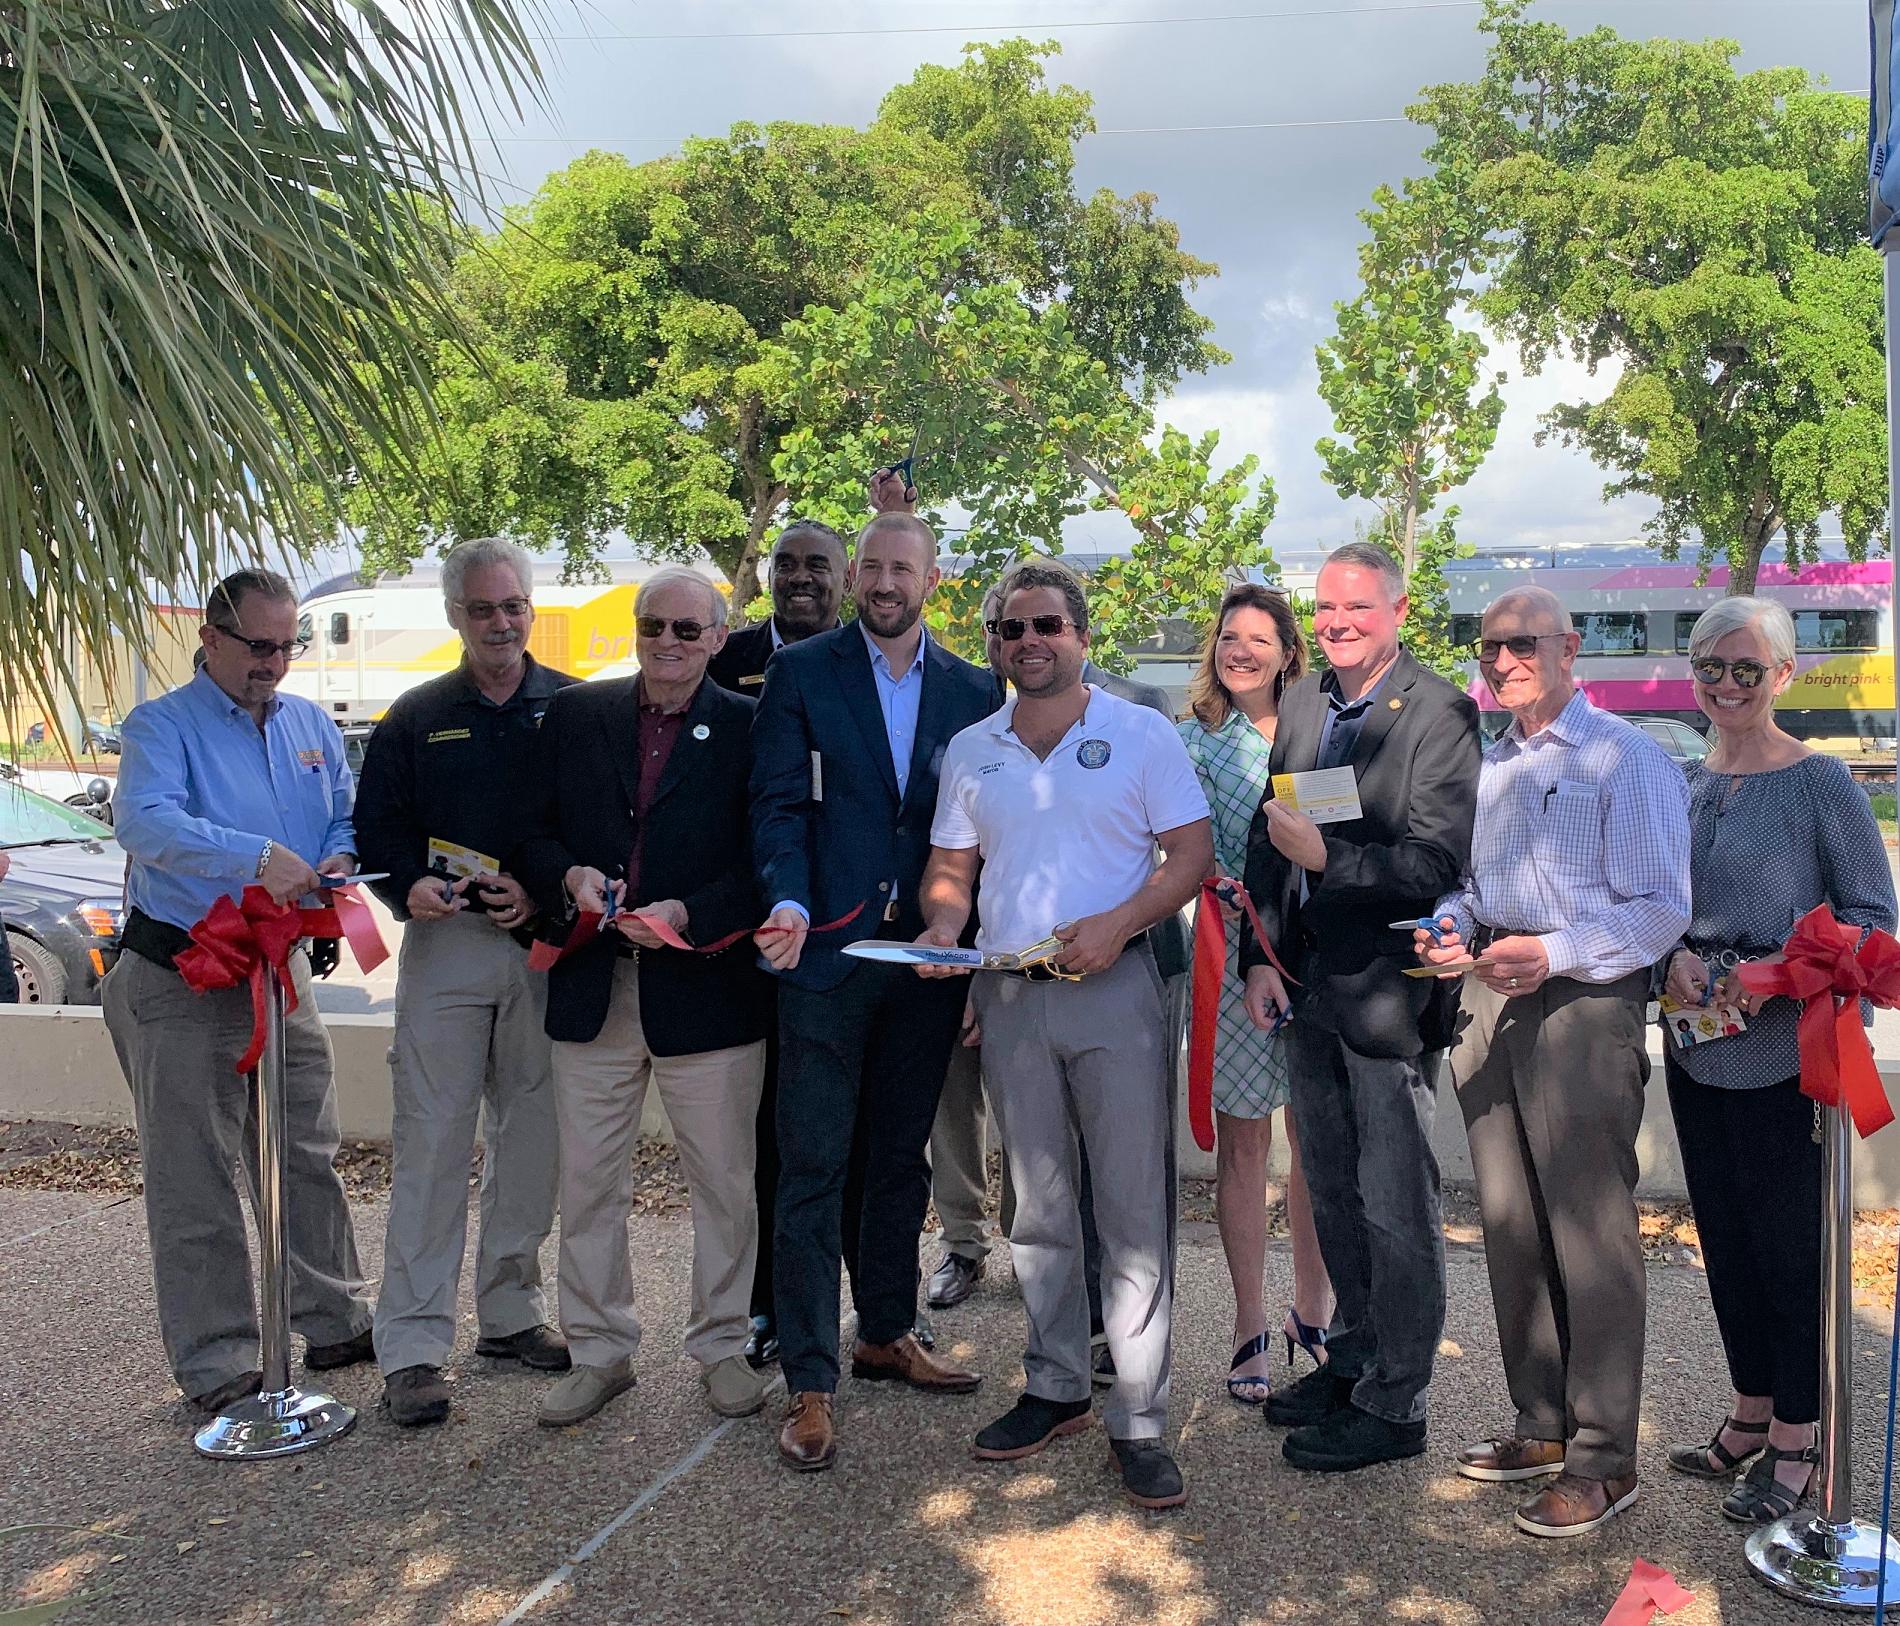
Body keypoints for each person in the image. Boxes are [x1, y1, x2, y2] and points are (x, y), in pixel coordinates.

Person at [917, 563, 1213, 1508]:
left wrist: (1120, 924)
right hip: (1011, 995)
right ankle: (1055, 1385)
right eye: (1011, 629)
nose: (1029, 642)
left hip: (1115, 989)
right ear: (995, 643)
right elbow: (952, 869)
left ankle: (1140, 1415)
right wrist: (942, 928)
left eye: (1047, 625)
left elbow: (1192, 855)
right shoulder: (973, 748)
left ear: (1082, 635)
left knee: (1130, 1210)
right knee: (1039, 1211)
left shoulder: (1140, 731)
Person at [1419, 586, 1689, 1538]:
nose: (1501, 661)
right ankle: (1542, 1426)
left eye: (1521, 644)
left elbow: (1662, 907)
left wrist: (1555, 951)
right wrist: (1451, 923)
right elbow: (1473, 884)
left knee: (1589, 1232)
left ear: (1570, 648)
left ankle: (1605, 1460)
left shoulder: (1626, 756)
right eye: (1487, 646)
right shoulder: (1494, 764)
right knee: (1509, 1222)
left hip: (1582, 1003)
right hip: (1492, 993)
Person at [752, 511, 998, 1473]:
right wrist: (786, 897)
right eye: (873, 566)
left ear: (933, 581)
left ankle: (886, 1331)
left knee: (900, 1159)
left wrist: (971, 956)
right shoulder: (801, 673)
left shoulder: (977, 689)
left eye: (904, 567)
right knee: (812, 1167)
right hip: (824, 957)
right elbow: (777, 805)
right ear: (854, 576)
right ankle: (811, 1378)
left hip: (929, 963)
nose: (886, 581)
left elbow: (983, 833)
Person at [103, 568, 374, 1415]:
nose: (276, 663)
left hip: (280, 969)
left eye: (289, 645)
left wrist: (337, 855)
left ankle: (333, 1316)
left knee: (304, 1150)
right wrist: (254, 858)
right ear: (211, 639)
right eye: (259, 646)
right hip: (183, 975)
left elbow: (343, 811)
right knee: (195, 1176)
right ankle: (218, 1360)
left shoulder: (308, 724)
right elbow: (143, 821)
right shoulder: (161, 725)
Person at [512, 568, 774, 1427]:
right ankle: (599, 1353)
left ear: (718, 638)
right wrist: (569, 877)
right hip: (594, 986)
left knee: (724, 1185)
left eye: (688, 630)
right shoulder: (577, 715)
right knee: (589, 1184)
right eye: (653, 625)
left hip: (707, 991)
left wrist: (689, 913)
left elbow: (767, 861)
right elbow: (530, 832)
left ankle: (722, 1347)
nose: (668, 642)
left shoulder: (750, 726)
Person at [1240, 540, 1479, 1474]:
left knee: (1395, 1206)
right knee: (1333, 1196)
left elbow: (1435, 862)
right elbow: (1268, 836)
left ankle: (1397, 1402)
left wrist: (1327, 861)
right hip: (1305, 991)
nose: (1338, 623)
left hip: (1385, 1001)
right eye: (1327, 609)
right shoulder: (1303, 701)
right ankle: (1352, 1361)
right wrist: (1262, 956)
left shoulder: (1441, 713)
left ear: (1398, 611)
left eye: (1358, 609)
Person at [1656, 596, 1895, 1524]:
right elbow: (1655, 903)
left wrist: (1772, 974)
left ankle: (1800, 1432)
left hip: (1786, 1058)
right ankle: (1750, 1409)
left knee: (1787, 1248)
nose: (1726, 684)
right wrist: (1671, 956)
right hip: (1695, 1049)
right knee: (1723, 1237)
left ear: (1783, 675)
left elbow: (1873, 922)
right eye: (1710, 667)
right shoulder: (1685, 782)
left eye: (1746, 668)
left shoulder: (1820, 783)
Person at [352, 537, 575, 1427]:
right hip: (446, 947)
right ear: (455, 615)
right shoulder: (415, 715)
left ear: (530, 607)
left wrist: (543, 894)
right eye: (482, 609)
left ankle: (511, 1313)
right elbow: (376, 827)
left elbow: (596, 823)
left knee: (532, 1140)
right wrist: (408, 882)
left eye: (512, 606)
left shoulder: (572, 706)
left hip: (540, 949)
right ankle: (410, 1348)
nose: (501, 623)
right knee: (433, 1143)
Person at [1177, 583, 1333, 1404]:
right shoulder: (1190, 742)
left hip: (1316, 957)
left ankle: (1314, 1311)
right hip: (1231, 955)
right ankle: (1248, 1323)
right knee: (1243, 1146)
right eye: (1229, 636)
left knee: (1316, 1142)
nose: (1240, 650)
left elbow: (1339, 838)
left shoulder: (1323, 731)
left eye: (1258, 639)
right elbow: (1174, 847)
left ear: (1287, 652)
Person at [707, 516, 846, 1370]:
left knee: (857, 1135)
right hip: (745, 931)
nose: (800, 577)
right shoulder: (722, 661)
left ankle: (879, 1307)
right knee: (768, 1133)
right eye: (786, 563)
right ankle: (767, 1305)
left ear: (844, 577)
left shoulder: (870, 662)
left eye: (817, 565)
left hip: (843, 932)